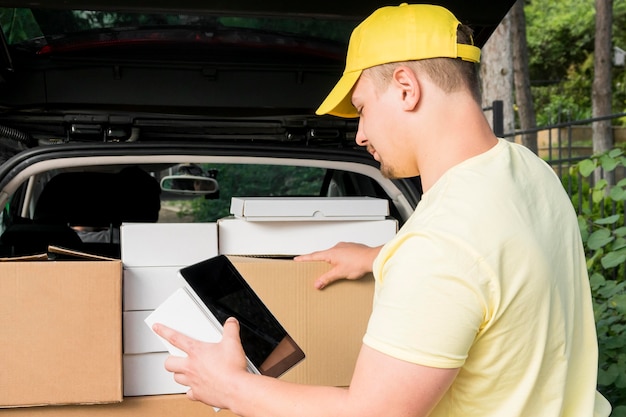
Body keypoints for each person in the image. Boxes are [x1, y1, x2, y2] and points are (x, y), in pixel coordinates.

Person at [153, 4, 611, 416]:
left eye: (362, 108)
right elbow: (497, 265)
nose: (359, 134)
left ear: (406, 88)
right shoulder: (528, 171)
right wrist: (383, 255)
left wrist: (230, 387)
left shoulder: (440, 245)